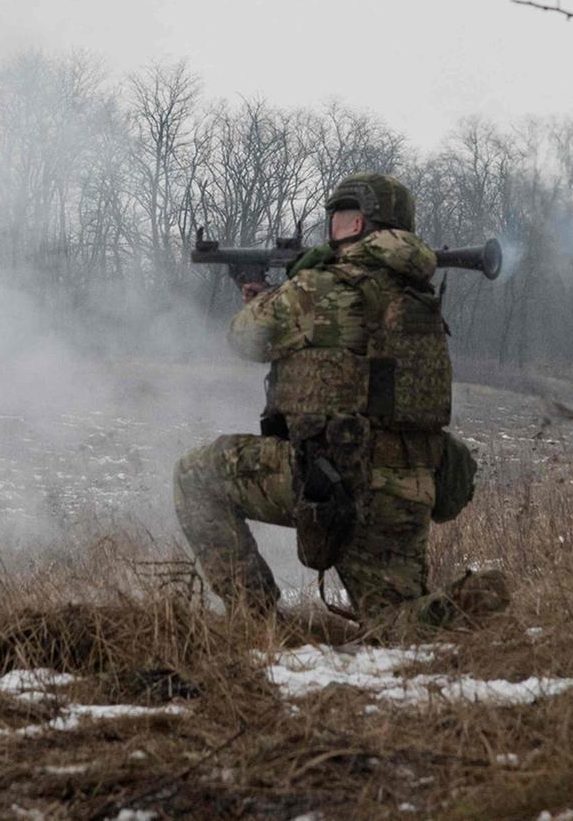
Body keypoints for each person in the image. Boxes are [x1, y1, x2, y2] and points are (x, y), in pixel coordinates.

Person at [173, 171, 503, 628]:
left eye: (346, 220)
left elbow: (245, 339)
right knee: (394, 623)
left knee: (196, 475)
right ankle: (466, 609)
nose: (336, 231)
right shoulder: (416, 296)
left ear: (367, 226)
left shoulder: (317, 286)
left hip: (334, 482)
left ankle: (255, 619)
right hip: (409, 487)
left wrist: (259, 301)